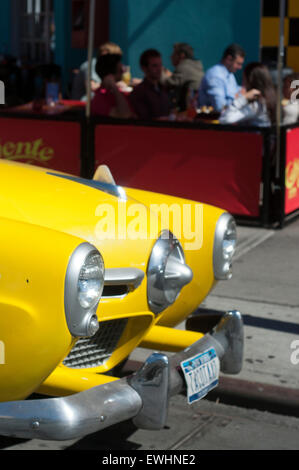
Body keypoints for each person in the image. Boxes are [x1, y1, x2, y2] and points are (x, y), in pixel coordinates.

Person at [219, 62, 276, 127]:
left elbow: (224, 120)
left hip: (253, 136)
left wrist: (243, 98)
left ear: (250, 81)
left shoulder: (256, 105)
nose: (242, 83)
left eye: (244, 79)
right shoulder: (267, 99)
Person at [198, 43, 245, 112]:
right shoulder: (215, 75)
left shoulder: (230, 74)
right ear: (229, 59)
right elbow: (220, 107)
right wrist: (242, 97)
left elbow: (237, 92)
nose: (240, 67)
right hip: (214, 120)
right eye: (238, 64)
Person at [129, 49, 171, 120]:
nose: (159, 69)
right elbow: (143, 120)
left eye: (160, 65)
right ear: (144, 68)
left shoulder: (164, 89)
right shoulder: (139, 92)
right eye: (154, 66)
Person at [161, 43, 204, 111]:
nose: (171, 57)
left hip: (188, 111)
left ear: (182, 55)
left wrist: (159, 72)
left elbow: (168, 83)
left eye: (173, 54)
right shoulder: (194, 66)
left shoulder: (184, 66)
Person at [91, 53, 134, 118]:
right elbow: (126, 115)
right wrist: (114, 87)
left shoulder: (117, 93)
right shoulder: (99, 99)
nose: (123, 72)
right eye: (120, 70)